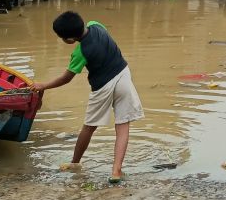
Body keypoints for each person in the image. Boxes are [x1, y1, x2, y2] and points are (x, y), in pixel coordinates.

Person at [31, 11, 143, 183]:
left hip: (103, 86)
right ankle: (116, 171)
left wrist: (43, 85)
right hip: (123, 74)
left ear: (69, 40)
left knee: (89, 127)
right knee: (122, 125)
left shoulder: (80, 52)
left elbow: (66, 78)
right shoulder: (96, 25)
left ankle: (75, 163)